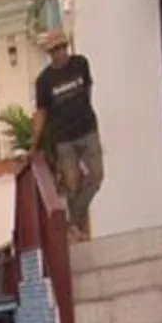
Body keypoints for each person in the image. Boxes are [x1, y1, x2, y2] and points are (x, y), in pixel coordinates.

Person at [32, 23, 103, 235]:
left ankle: (73, 218)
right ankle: (75, 225)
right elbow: (42, 112)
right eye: (55, 49)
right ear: (49, 53)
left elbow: (88, 90)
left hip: (87, 129)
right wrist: (35, 143)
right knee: (72, 184)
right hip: (64, 139)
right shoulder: (44, 81)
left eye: (63, 47)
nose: (60, 52)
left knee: (97, 176)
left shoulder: (81, 64)